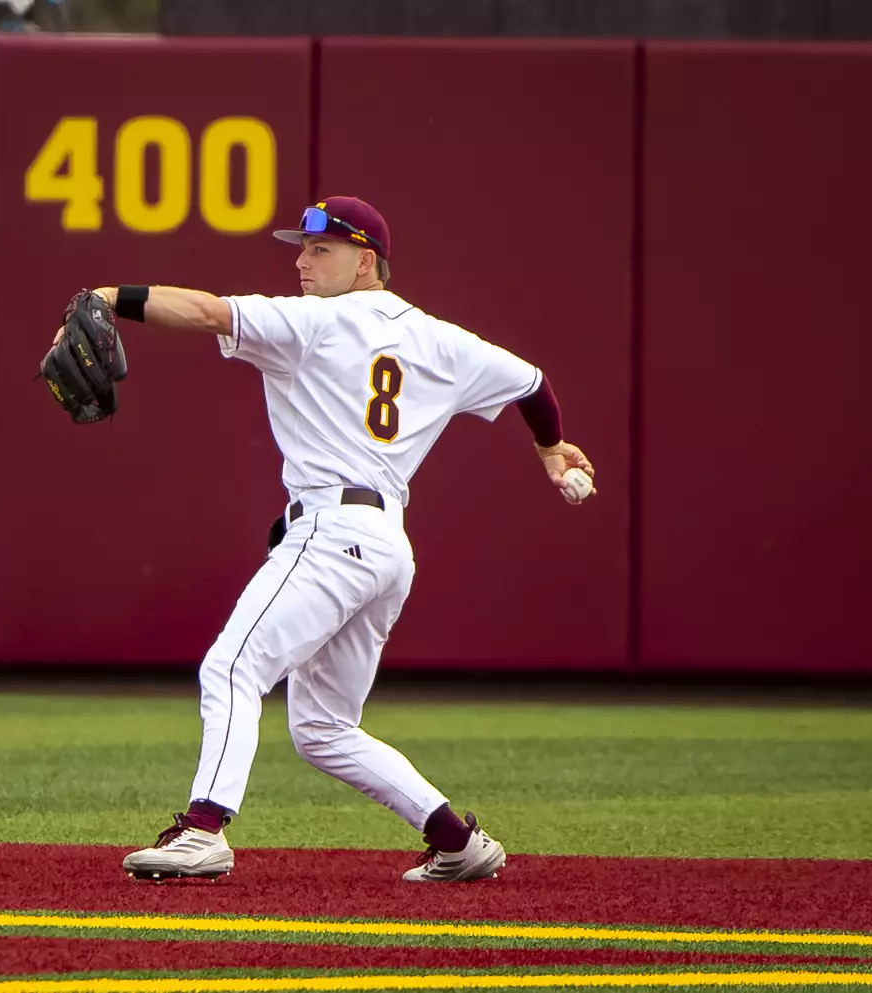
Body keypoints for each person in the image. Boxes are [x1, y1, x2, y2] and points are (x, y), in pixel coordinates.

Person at [89, 196, 595, 883]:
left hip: (330, 530)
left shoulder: (311, 323)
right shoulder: (439, 339)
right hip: (386, 545)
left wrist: (107, 295)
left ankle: (202, 831)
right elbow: (531, 384)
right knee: (322, 728)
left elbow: (207, 311)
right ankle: (457, 840)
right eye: (299, 248)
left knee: (231, 668)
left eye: (318, 249)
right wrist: (551, 445)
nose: (300, 261)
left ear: (365, 262)